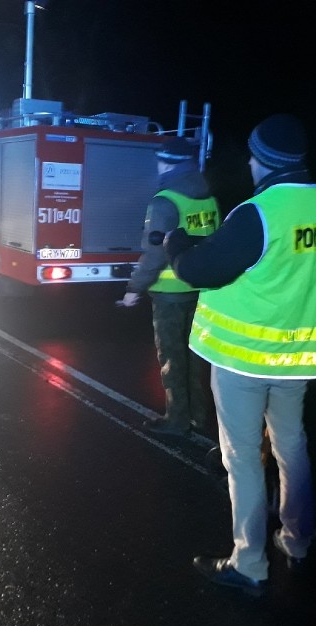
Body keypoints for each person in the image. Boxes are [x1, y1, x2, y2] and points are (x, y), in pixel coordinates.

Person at [164, 114, 316, 594]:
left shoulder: (259, 213)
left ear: (264, 162)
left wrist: (176, 244)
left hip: (244, 359)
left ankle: (249, 562)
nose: (248, 163)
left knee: (244, 458)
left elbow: (199, 270)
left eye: (251, 155)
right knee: (292, 446)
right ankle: (297, 540)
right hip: (298, 360)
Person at [117, 136, 220, 437]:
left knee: (172, 359)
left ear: (168, 163)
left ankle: (176, 422)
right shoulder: (207, 198)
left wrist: (134, 288)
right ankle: (198, 417)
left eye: (161, 160)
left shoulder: (165, 201)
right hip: (199, 290)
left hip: (170, 295)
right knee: (193, 358)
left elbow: (156, 252)